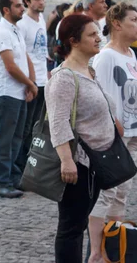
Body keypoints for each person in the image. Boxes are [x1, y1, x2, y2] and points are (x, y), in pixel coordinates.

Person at [46, 13, 115, 263]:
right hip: (77, 166)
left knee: (78, 224)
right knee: (71, 229)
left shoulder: (88, 71)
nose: (99, 38)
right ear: (74, 40)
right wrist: (66, 160)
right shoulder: (64, 77)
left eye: (98, 33)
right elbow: (57, 121)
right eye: (92, 34)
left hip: (94, 162)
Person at [88, 3, 137, 262]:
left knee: (123, 191)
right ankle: (96, 252)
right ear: (117, 24)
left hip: (132, 133)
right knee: (106, 192)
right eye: (134, 20)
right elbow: (102, 97)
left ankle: (114, 244)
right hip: (113, 135)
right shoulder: (106, 56)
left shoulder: (131, 54)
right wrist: (113, 127)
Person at [0, 0, 37, 198]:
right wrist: (30, 84)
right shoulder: (1, 32)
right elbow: (10, 66)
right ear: (6, 10)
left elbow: (25, 58)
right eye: (18, 6)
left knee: (18, 138)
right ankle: (1, 181)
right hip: (6, 93)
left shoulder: (16, 30)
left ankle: (14, 177)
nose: (22, 8)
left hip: (18, 93)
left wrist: (31, 83)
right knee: (4, 140)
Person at [15, 0, 48, 177]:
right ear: (27, 1)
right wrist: (29, 83)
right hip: (30, 83)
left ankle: (31, 165)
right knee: (25, 128)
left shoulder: (41, 19)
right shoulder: (22, 24)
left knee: (37, 128)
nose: (41, 2)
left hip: (44, 80)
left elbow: (41, 52)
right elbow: (22, 55)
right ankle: (20, 168)